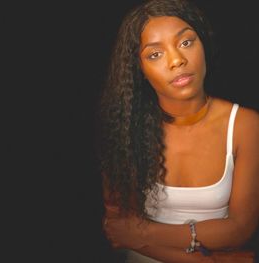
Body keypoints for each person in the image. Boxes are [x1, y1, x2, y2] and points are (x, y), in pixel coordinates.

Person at [97, 0, 259, 262]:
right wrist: (205, 261)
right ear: (140, 70)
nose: (177, 60)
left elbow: (239, 229)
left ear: (203, 44)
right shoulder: (124, 127)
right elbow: (117, 231)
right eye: (155, 54)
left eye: (185, 42)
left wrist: (141, 234)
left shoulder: (245, 126)